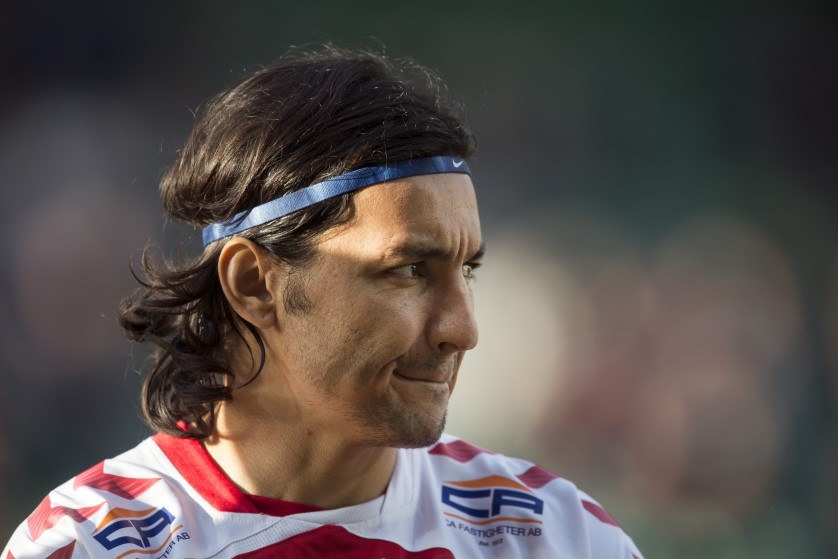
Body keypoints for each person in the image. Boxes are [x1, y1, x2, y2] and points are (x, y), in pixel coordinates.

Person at [3, 46, 643, 558]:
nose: (463, 329)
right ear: (254, 284)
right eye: (408, 270)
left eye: (467, 270)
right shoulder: (90, 545)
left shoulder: (557, 537)